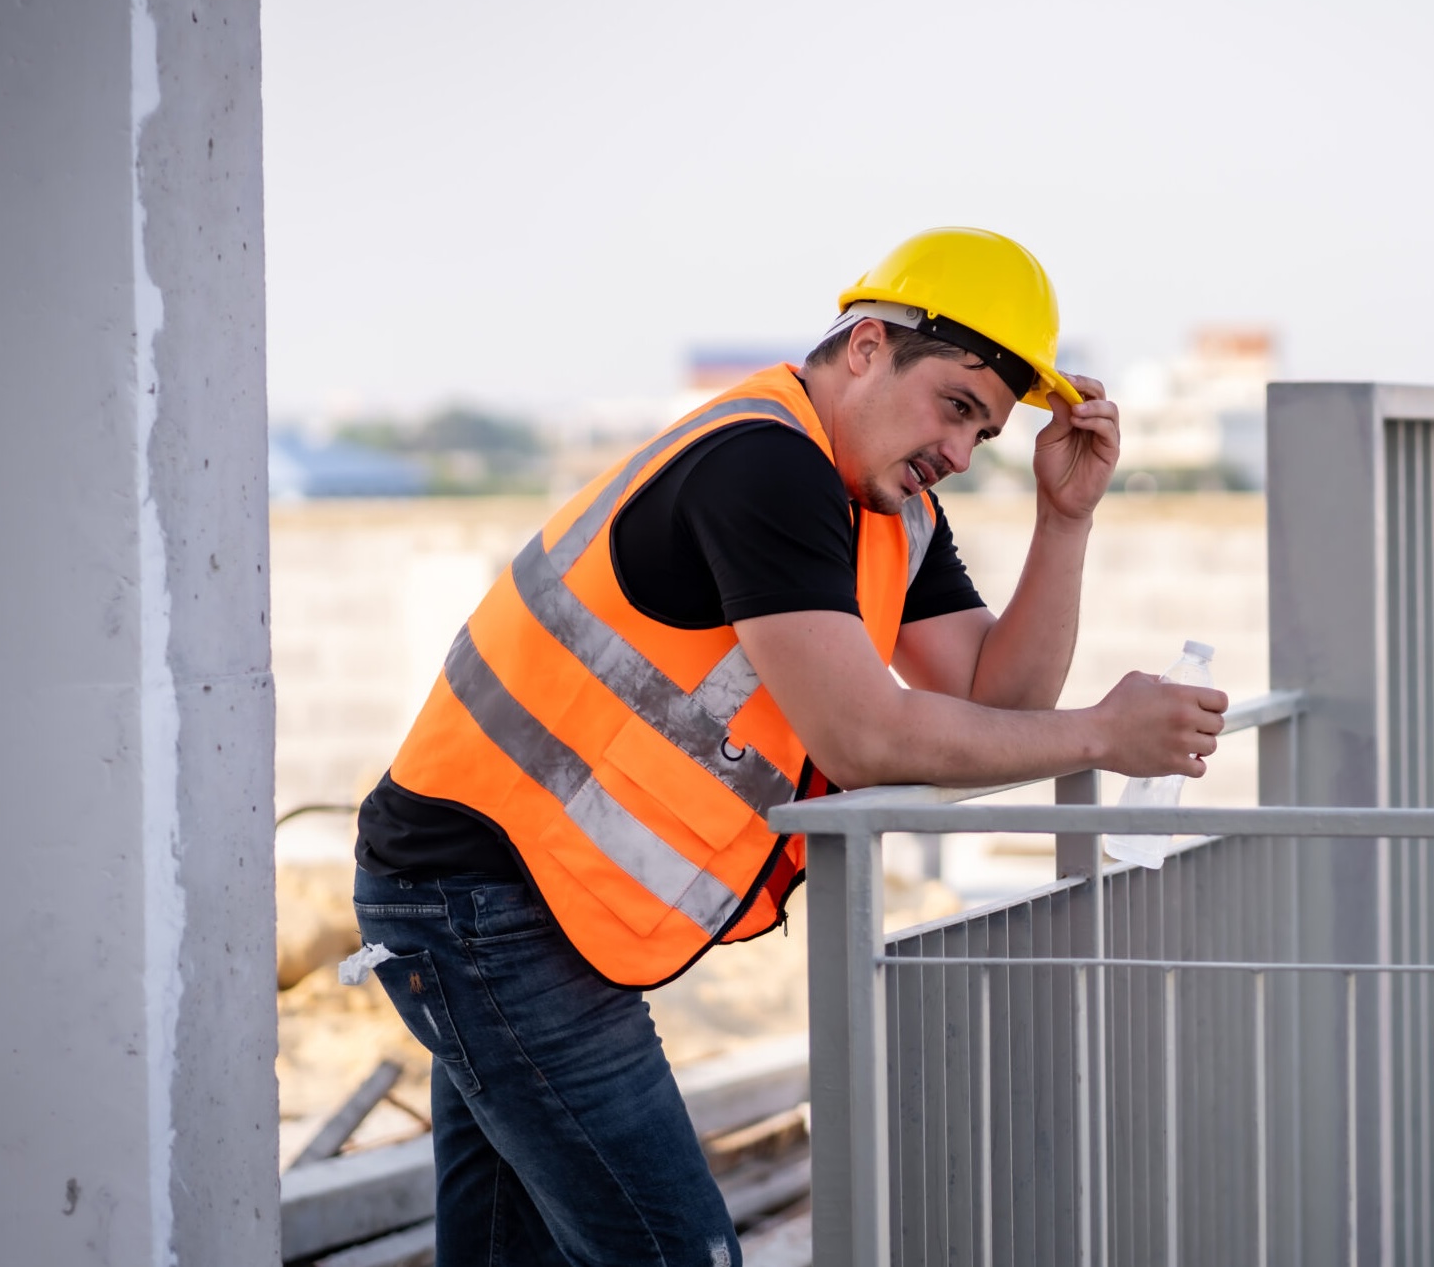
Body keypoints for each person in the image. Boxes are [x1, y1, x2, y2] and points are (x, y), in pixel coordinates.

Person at [348, 227, 1228, 1266]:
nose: (958, 450)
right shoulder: (762, 464)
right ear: (865, 346)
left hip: (528, 899)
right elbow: (863, 737)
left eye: (984, 434)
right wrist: (1103, 735)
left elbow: (1001, 698)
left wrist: (1064, 521)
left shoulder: (888, 506)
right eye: (955, 405)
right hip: (484, 901)